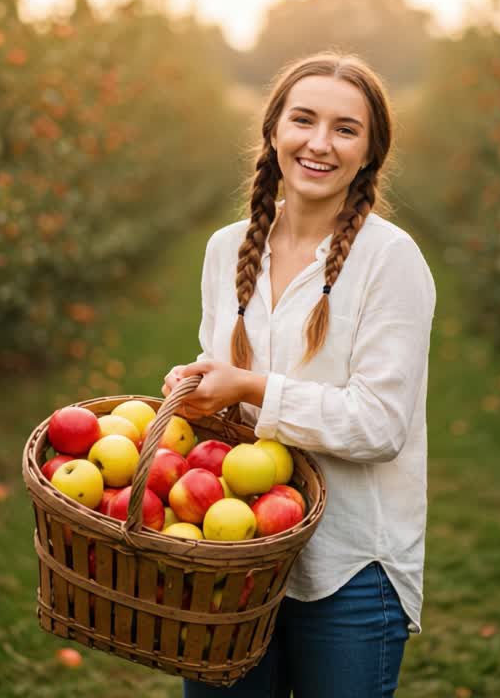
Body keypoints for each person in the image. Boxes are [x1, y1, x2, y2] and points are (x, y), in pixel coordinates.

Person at [160, 51, 436, 698]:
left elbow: (381, 424)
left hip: (351, 565)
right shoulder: (227, 249)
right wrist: (199, 393)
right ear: (273, 133)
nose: (320, 143)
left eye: (346, 129)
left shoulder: (389, 260)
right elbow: (228, 415)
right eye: (303, 120)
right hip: (237, 544)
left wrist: (254, 389)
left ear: (370, 152)